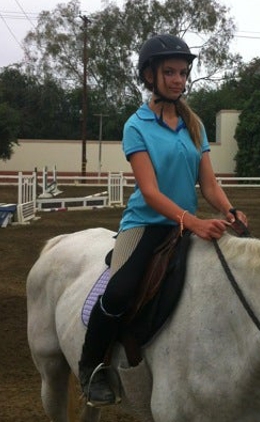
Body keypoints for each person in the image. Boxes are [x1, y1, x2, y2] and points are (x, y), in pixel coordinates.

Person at [78, 33, 248, 407]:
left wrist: (227, 209)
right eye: (169, 72)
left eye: (183, 72)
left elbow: (208, 183)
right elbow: (151, 193)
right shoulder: (135, 126)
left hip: (181, 224)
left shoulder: (194, 125)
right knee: (119, 291)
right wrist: (195, 223)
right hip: (144, 224)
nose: (178, 79)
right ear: (149, 76)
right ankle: (90, 367)